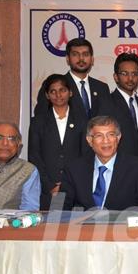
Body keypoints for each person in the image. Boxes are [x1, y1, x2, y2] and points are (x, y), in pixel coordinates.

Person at [60, 116, 138, 210]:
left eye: (111, 134)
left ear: (118, 138)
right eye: (99, 135)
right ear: (90, 140)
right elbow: (63, 208)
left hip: (122, 223)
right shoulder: (74, 169)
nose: (106, 141)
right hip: (83, 224)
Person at [28, 74, 87, 210]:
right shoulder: (38, 122)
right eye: (52, 91)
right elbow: (34, 157)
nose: (58, 95)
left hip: (75, 188)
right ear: (47, 95)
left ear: (70, 92)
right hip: (48, 190)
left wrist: (68, 184)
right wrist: (50, 186)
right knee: (50, 228)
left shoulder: (82, 121)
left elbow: (86, 156)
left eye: (62, 90)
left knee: (74, 229)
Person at [33, 37, 113, 120]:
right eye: (75, 54)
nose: (81, 58)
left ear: (92, 59)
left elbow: (107, 120)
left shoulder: (102, 88)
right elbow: (41, 119)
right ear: (68, 59)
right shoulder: (53, 85)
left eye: (85, 54)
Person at [110, 52, 138, 158]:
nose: (130, 78)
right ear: (115, 77)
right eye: (124, 73)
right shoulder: (106, 103)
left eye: (134, 74)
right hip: (117, 166)